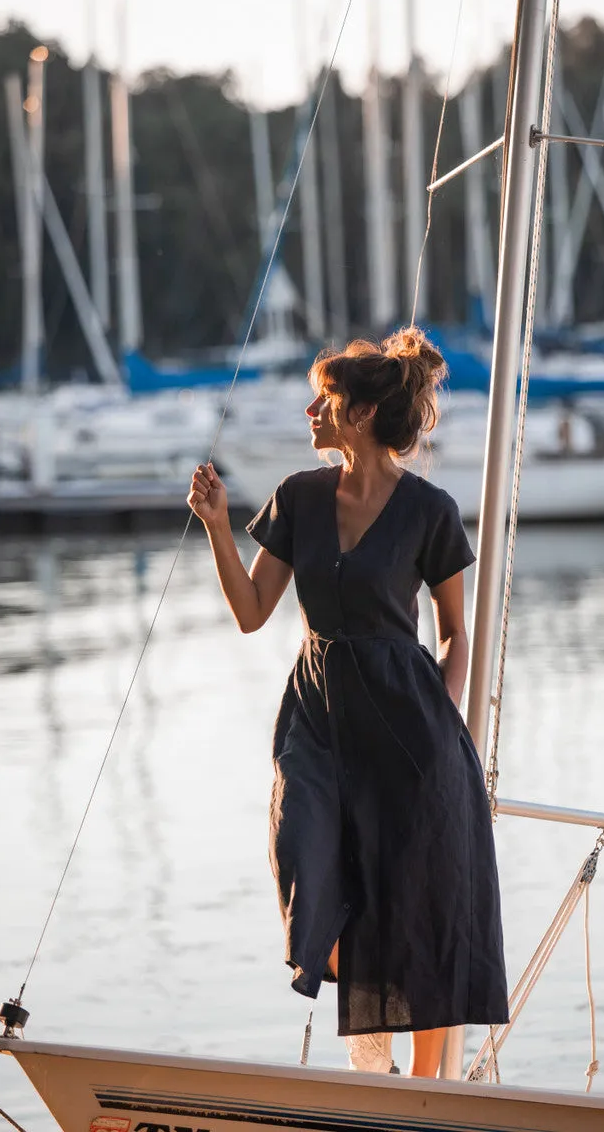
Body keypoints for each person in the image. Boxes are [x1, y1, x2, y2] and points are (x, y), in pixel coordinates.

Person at [187, 327, 508, 1079]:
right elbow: (249, 611)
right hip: (318, 711)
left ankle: (418, 1090)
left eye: (324, 398)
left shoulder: (429, 510)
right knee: (301, 848)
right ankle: (371, 1041)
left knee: (419, 894)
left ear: (361, 415)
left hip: (409, 719)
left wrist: (444, 722)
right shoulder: (298, 497)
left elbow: (458, 634)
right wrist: (214, 526)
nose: (309, 409)